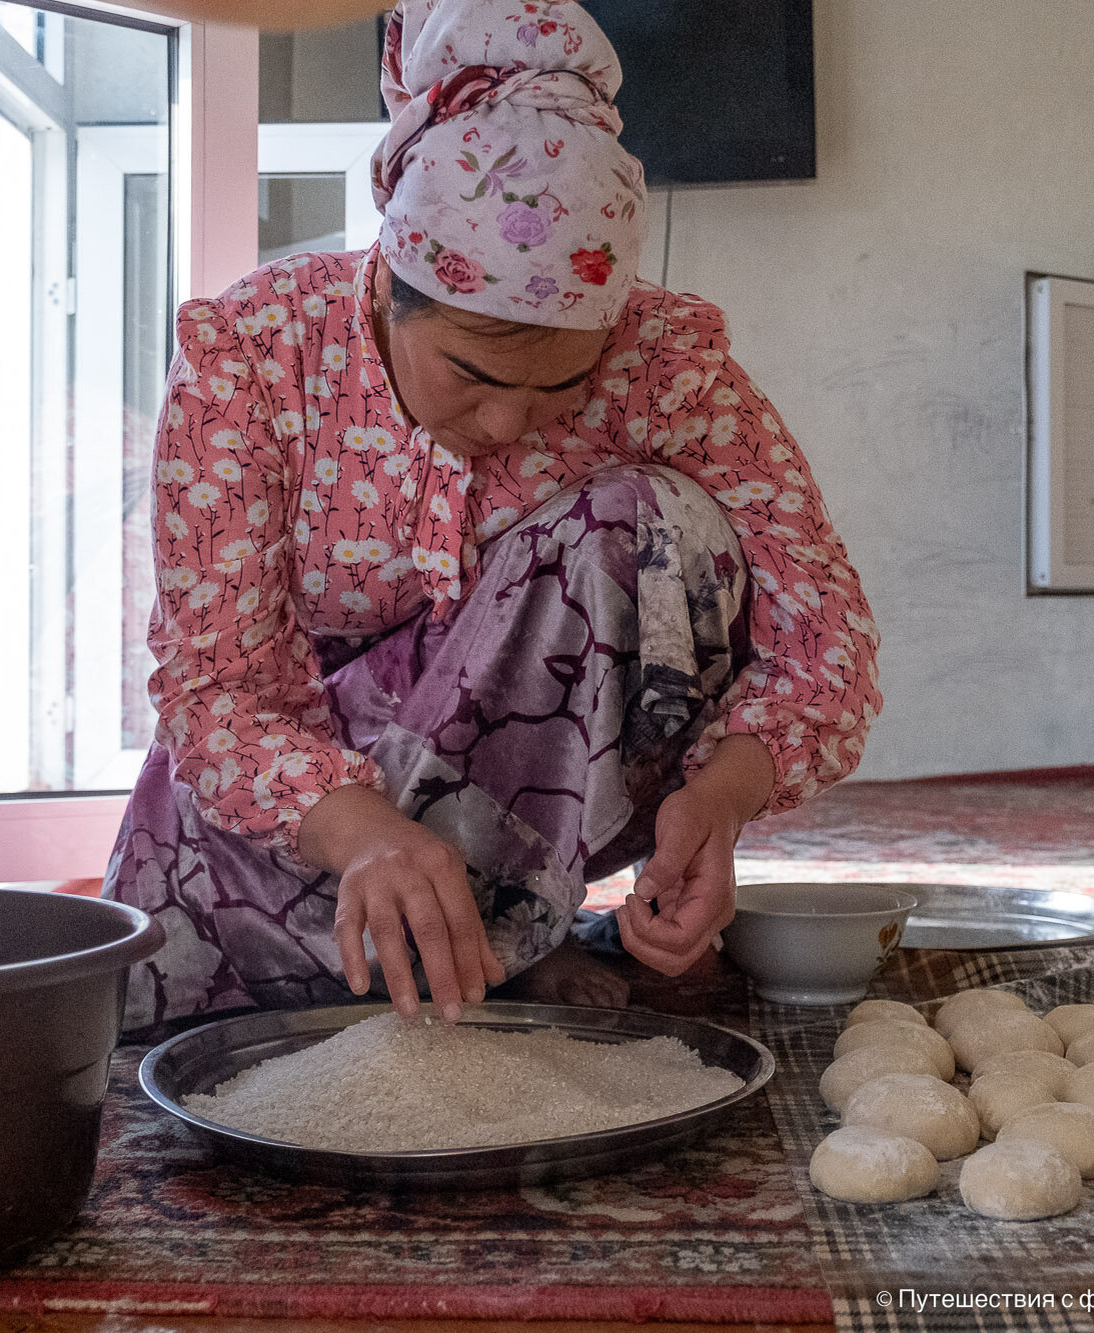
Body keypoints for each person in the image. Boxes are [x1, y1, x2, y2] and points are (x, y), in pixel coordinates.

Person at [104, 0, 880, 1035]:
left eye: (563, 385)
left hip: (516, 815)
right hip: (291, 826)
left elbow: (823, 636)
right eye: (471, 373)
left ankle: (508, 931)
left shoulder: (665, 364)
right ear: (391, 286)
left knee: (653, 523)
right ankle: (477, 945)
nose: (510, 421)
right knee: (174, 1037)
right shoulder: (254, 354)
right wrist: (362, 831)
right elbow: (215, 690)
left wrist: (721, 798)